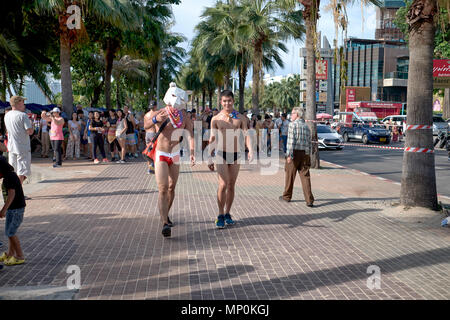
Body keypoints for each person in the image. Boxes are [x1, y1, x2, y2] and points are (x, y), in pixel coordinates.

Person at [144, 83, 195, 238]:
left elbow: (190, 134)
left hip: (175, 154)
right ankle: (165, 222)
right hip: (161, 153)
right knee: (163, 188)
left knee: (172, 187)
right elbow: (146, 125)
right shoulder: (161, 113)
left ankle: (166, 213)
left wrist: (192, 152)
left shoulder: (184, 116)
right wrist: (154, 119)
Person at [207, 90, 253, 229]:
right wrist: (209, 157)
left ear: (233, 101)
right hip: (221, 154)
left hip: (236, 154)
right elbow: (212, 138)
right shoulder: (216, 118)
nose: (227, 103)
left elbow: (247, 135)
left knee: (231, 184)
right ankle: (220, 214)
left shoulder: (240, 118)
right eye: (224, 101)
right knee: (223, 184)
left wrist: (250, 149)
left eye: (229, 100)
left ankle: (227, 213)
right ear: (221, 102)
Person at [280, 107, 314, 207]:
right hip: (304, 153)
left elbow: (291, 142)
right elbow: (309, 143)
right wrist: (308, 155)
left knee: (290, 175)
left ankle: (287, 196)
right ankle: (309, 200)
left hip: (294, 153)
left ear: (297, 115)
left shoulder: (292, 125)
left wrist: (289, 155)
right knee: (305, 177)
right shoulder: (307, 126)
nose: (291, 115)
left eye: (293, 113)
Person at [0, 156, 26, 266]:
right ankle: (10, 254)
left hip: (16, 209)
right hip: (12, 209)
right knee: (9, 232)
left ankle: (20, 256)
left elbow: (12, 194)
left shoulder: (9, 177)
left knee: (11, 232)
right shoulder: (8, 176)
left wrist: (3, 210)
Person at [4, 96, 34, 185]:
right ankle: (18, 193)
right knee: (22, 170)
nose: (24, 104)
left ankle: (12, 192)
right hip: (22, 146)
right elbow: (30, 131)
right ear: (18, 103)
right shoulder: (23, 115)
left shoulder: (7, 115)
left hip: (11, 146)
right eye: (22, 102)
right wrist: (31, 124)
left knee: (13, 170)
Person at [143, 101, 158, 173]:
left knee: (148, 152)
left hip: (147, 134)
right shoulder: (156, 113)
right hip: (153, 134)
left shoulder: (146, 115)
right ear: (155, 106)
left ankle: (149, 169)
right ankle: (154, 167)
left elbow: (145, 127)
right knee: (155, 151)